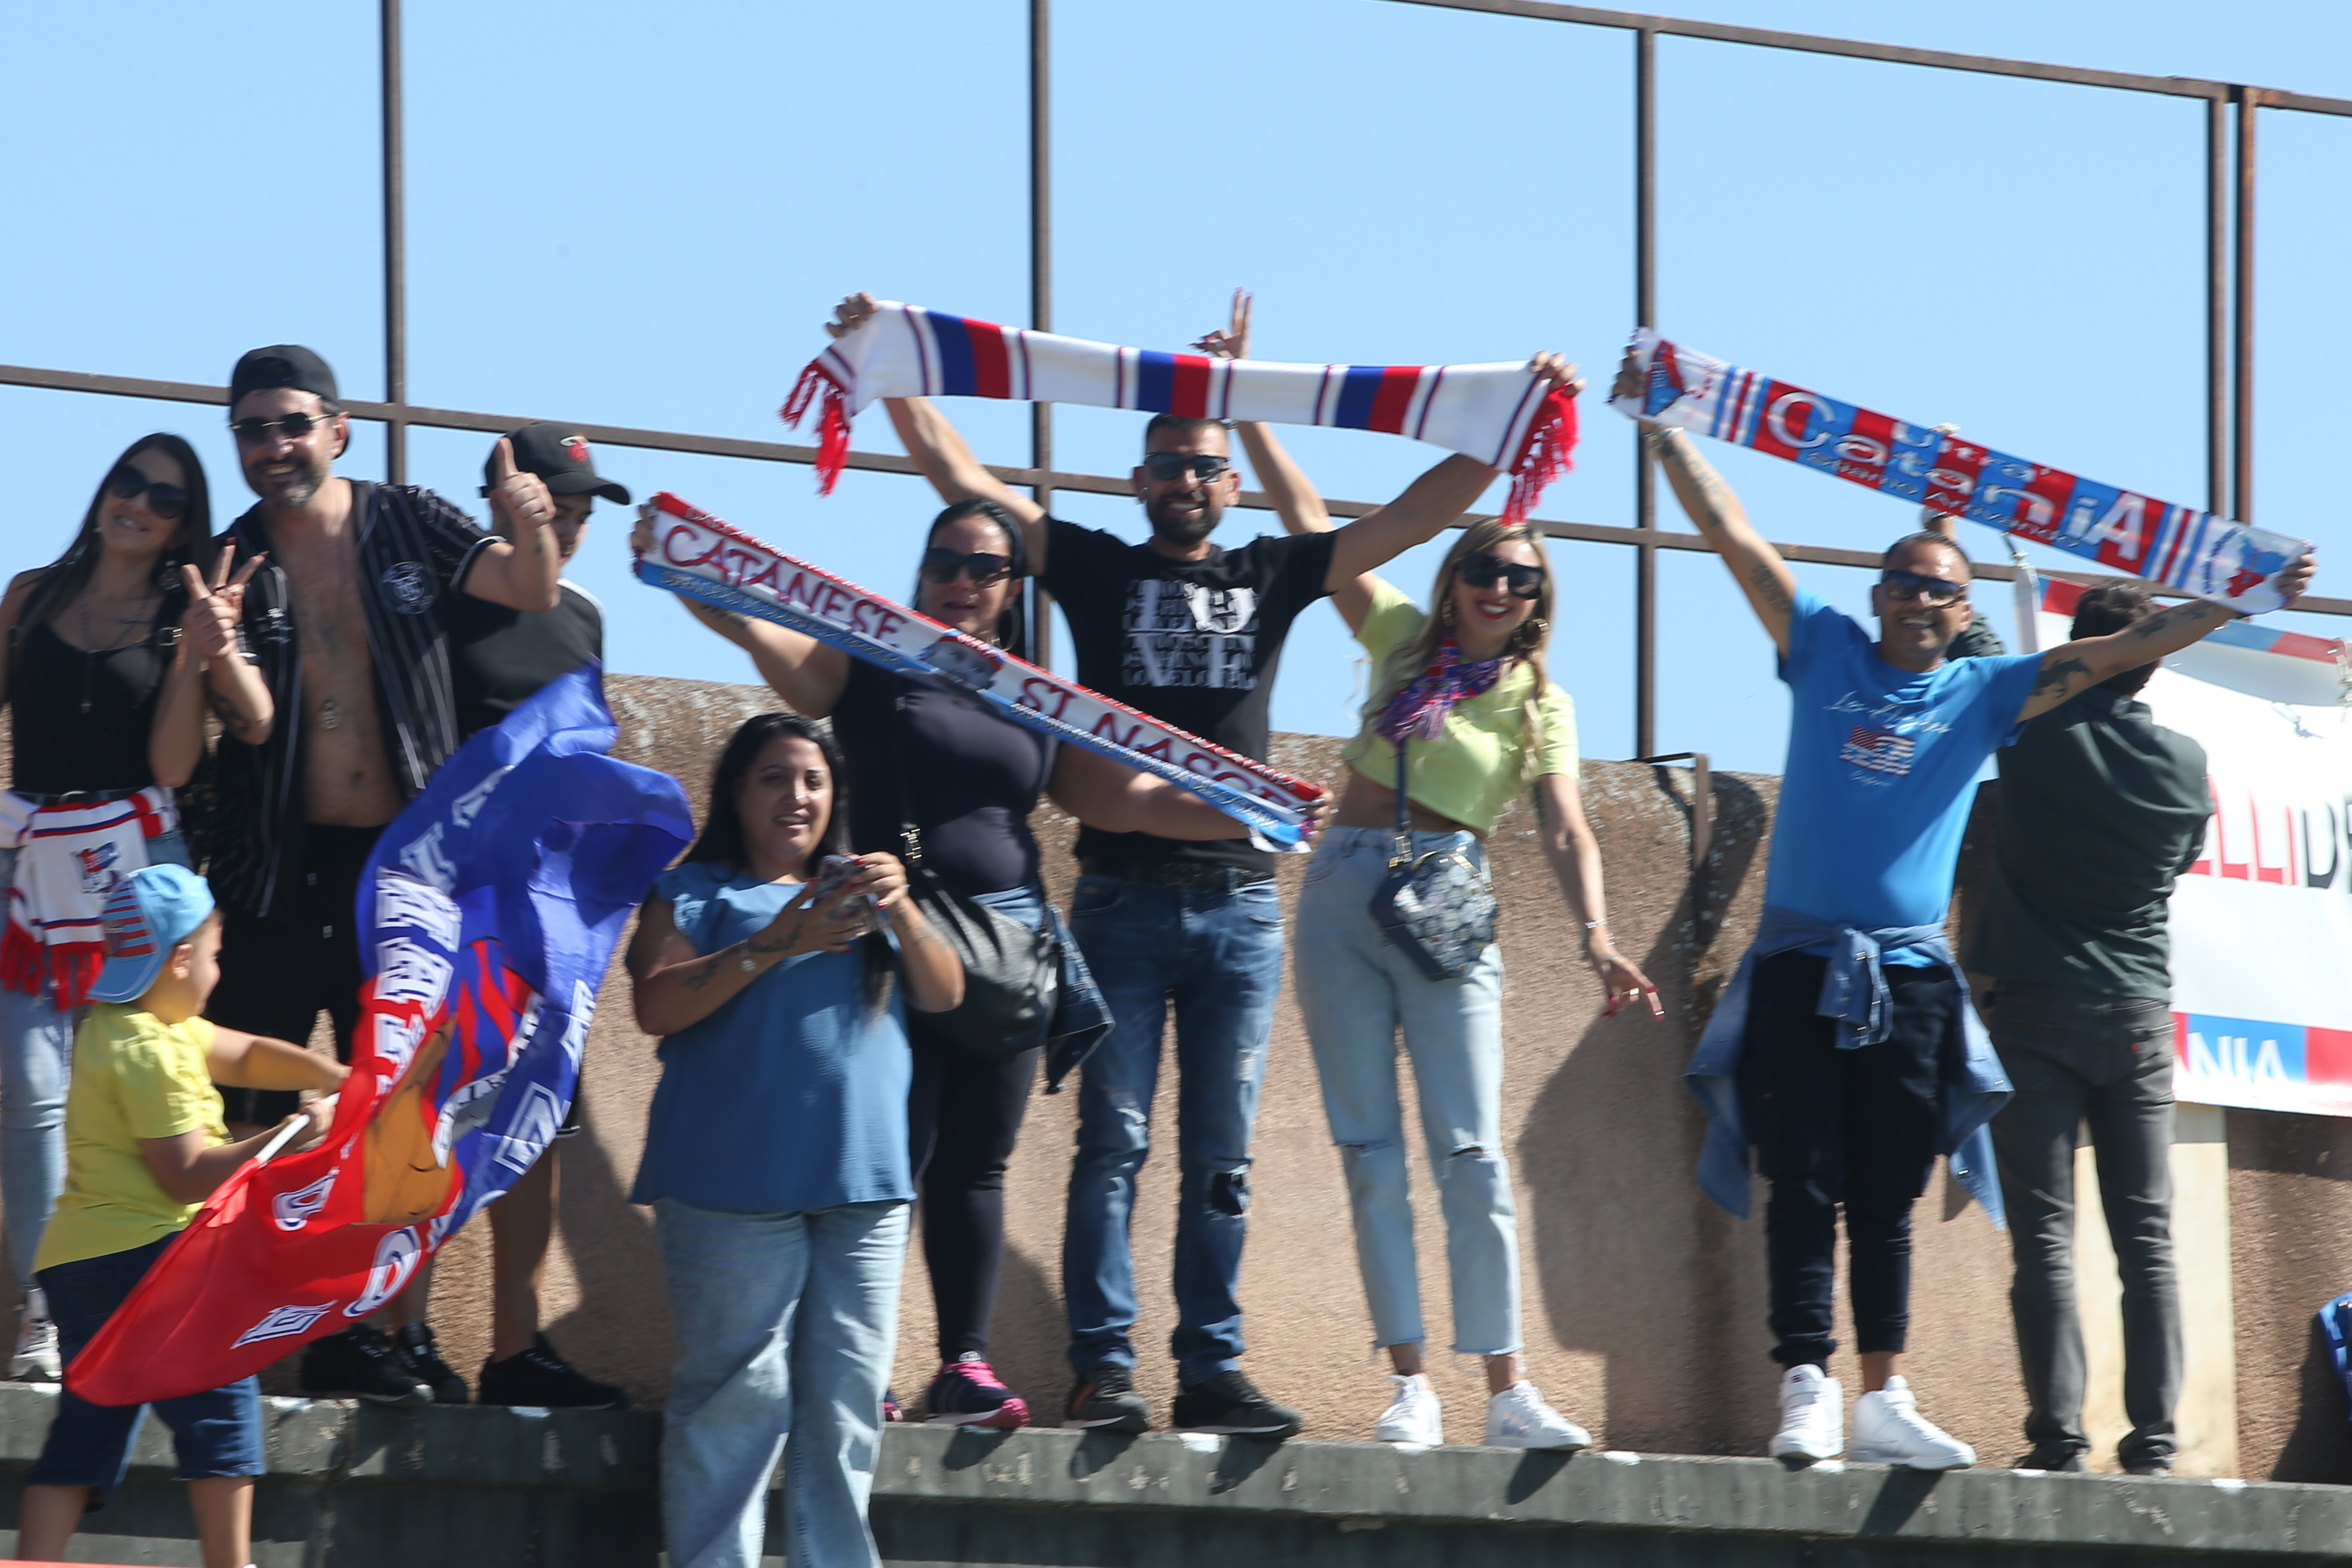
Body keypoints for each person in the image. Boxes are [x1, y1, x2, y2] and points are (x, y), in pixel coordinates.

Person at [841, 288, 1580, 1438]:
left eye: (1205, 466)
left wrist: (1515, 414)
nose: (1187, 481)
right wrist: (884, 363)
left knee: (1221, 1155)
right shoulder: (1088, 568)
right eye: (1167, 464)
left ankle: (1210, 1369)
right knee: (1115, 1144)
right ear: (1139, 482)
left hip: (1241, 909)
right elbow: (965, 486)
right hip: (1119, 897)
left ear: (1231, 484)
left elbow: (1426, 512)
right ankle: (1104, 1370)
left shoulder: (1278, 572)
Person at [1633, 361, 2315, 1469]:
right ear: (1877, 594)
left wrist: (2242, 595)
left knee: (1888, 1193)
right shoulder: (1819, 649)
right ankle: (1805, 1383)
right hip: (1804, 963)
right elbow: (1732, 534)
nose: (1916, 597)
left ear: (1963, 616)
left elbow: (2122, 650)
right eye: (1901, 580)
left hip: (1910, 979)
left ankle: (1883, 1394)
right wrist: (1667, 431)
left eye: (1938, 588)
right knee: (1803, 1178)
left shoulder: (1986, 693)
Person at [638, 476, 1301, 1429]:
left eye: (985, 567)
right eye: (943, 562)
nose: (961, 580)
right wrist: (695, 568)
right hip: (888, 929)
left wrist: (1247, 807)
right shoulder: (870, 660)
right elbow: (762, 637)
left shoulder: (1035, 694)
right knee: (884, 1155)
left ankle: (965, 1365)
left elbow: (1119, 799)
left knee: (976, 1164)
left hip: (1008, 943)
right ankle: (862, 1365)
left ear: (1010, 586)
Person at [201, 344, 566, 1406]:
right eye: (254, 431)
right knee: (245, 1112)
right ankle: (236, 1327)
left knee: (401, 1116)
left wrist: (528, 512)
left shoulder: (405, 518)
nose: (274, 448)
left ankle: (382, 1338)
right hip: (273, 877)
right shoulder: (234, 560)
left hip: (403, 876)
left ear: (338, 429)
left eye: (291, 425)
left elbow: (531, 587)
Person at [627, 714, 962, 1568]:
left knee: (847, 1404)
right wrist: (782, 938)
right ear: (736, 792)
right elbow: (656, 1006)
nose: (796, 796)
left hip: (865, 1186)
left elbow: (945, 992)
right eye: (774, 777)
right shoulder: (690, 890)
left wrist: (904, 905)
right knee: (737, 1398)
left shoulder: (862, 893)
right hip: (727, 1187)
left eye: (813, 781)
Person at [0, 434, 265, 1383]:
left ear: (180, 525)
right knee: (29, 1092)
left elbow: (174, 767)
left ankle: (153, 1302)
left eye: (164, 497)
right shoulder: (28, 597)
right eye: (128, 481)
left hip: (140, 876)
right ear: (104, 488)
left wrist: (201, 655)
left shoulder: (175, 618)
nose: (139, 504)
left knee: (140, 1088)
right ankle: (48, 1312)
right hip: (30, 870)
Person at [390, 423, 630, 1411]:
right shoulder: (450, 602)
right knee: (424, 1110)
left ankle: (513, 1347)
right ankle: (400, 1330)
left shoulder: (584, 616)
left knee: (538, 1115)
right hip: (450, 897)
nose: (565, 529)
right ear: (498, 499)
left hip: (549, 912)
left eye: (577, 514)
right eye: (549, 507)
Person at [15, 863, 344, 1568]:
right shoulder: (149, 1051)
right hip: (153, 1260)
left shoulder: (143, 1027)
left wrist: (331, 1075)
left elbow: (249, 1054)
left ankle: (34, 1560)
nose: (220, 972)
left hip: (83, 1264)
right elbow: (184, 1175)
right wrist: (290, 1135)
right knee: (221, 1406)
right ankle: (231, 1562)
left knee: (89, 1427)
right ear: (182, 958)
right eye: (216, 955)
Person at [1968, 583, 2208, 1476]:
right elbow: (2179, 860)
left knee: (2043, 1236)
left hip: (2034, 1007)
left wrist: (1944, 524)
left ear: (2077, 652)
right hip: (2139, 1017)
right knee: (2145, 1238)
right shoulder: (2185, 764)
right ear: (2152, 657)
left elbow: (1981, 651)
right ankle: (2152, 1442)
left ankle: (2057, 1439)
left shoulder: (2033, 732)